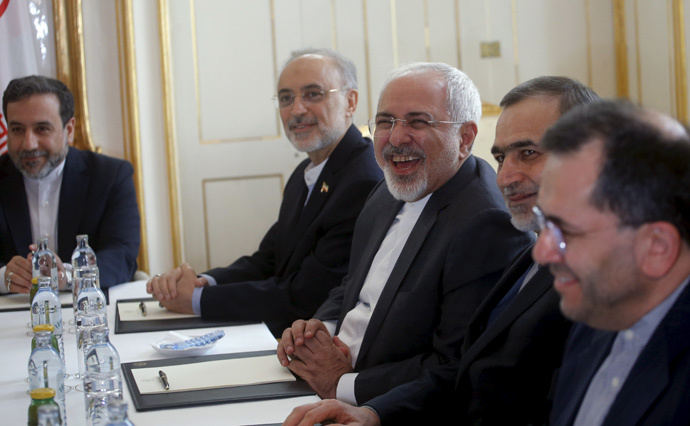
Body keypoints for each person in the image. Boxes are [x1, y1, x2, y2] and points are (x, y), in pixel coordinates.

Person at [282, 77, 600, 425]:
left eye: (528, 153)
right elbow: (470, 369)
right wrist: (370, 411)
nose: (505, 177)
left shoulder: (599, 274)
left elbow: (474, 378)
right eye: (501, 157)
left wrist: (347, 389)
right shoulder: (541, 247)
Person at [147, 49, 383, 337]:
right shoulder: (306, 172)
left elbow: (306, 296)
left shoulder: (362, 181)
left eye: (313, 94)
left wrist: (195, 301)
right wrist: (202, 282)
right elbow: (269, 259)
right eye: (286, 98)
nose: (297, 110)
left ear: (350, 101)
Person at [533, 101, 690, 425]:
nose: (542, 252)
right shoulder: (599, 311)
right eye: (544, 222)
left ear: (656, 248)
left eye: (566, 231)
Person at [0, 75, 140, 292]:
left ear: (69, 129)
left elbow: (122, 256)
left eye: (42, 129)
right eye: (18, 129)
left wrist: (68, 275)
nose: (29, 144)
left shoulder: (110, 176)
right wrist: (4, 277)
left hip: (87, 310)